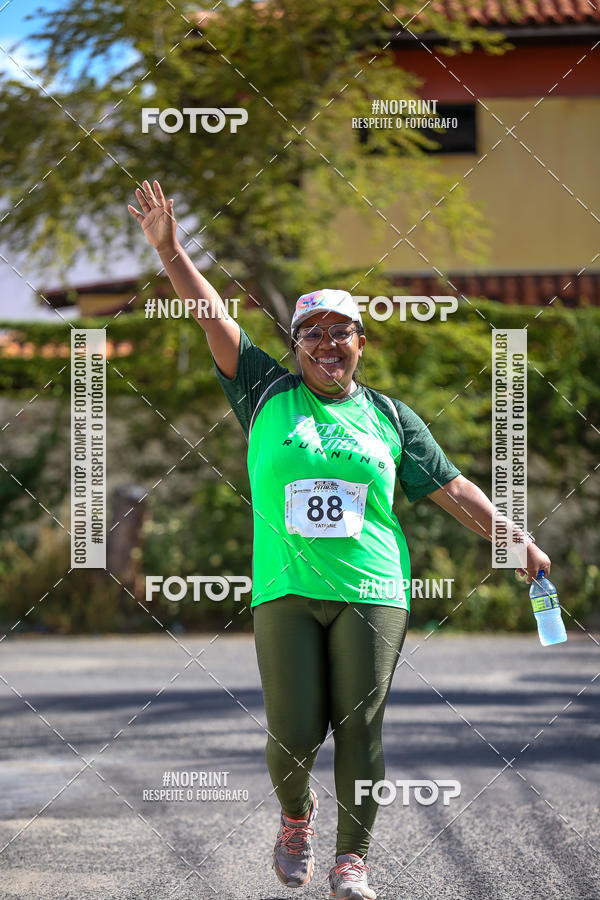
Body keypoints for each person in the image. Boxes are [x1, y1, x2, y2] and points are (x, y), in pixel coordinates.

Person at [128, 180, 551, 900]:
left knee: (361, 728)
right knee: (294, 734)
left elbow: (451, 488)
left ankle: (351, 860)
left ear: (362, 342)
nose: (327, 342)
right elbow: (212, 316)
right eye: (312, 332)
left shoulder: (390, 417)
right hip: (286, 591)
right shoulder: (262, 389)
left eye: (340, 331)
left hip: (374, 588)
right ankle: (297, 818)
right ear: (295, 347)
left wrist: (513, 537)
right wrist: (172, 254)